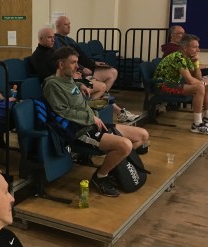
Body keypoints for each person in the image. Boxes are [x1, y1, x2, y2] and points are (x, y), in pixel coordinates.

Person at [43, 47, 150, 197]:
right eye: (73, 63)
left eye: (77, 62)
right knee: (125, 145)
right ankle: (100, 177)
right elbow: (63, 112)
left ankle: (112, 168)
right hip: (80, 131)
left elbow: (73, 91)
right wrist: (91, 117)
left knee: (142, 135)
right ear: (61, 64)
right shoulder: (52, 85)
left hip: (93, 125)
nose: (77, 66)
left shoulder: (69, 79)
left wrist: (80, 85)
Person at [53, 17, 139, 123]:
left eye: (69, 24)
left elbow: (82, 56)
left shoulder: (70, 40)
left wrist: (94, 63)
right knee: (101, 86)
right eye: (66, 25)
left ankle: (101, 103)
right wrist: (82, 68)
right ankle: (115, 110)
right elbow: (68, 62)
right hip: (76, 73)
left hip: (82, 71)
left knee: (112, 72)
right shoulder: (56, 42)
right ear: (58, 26)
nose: (69, 26)